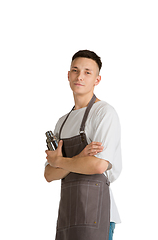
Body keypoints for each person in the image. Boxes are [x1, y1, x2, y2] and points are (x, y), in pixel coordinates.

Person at [44, 50, 122, 240]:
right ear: (68, 75)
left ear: (97, 79)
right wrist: (79, 158)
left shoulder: (103, 113)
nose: (80, 76)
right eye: (75, 70)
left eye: (88, 72)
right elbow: (48, 174)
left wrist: (60, 161)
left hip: (95, 213)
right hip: (67, 212)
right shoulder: (62, 122)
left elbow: (98, 165)